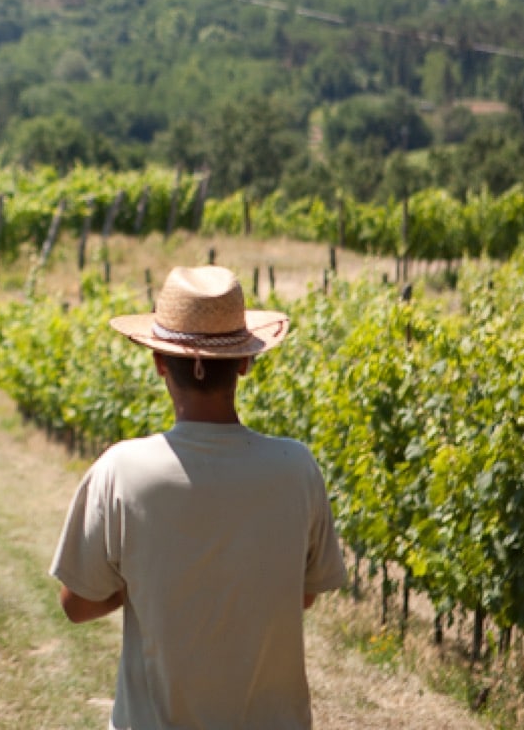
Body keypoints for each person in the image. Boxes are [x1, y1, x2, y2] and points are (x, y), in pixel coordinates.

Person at [51, 264, 346, 730]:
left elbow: (77, 604)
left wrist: (147, 582)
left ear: (159, 362)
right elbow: (301, 594)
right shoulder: (296, 468)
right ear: (247, 362)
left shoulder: (121, 471)